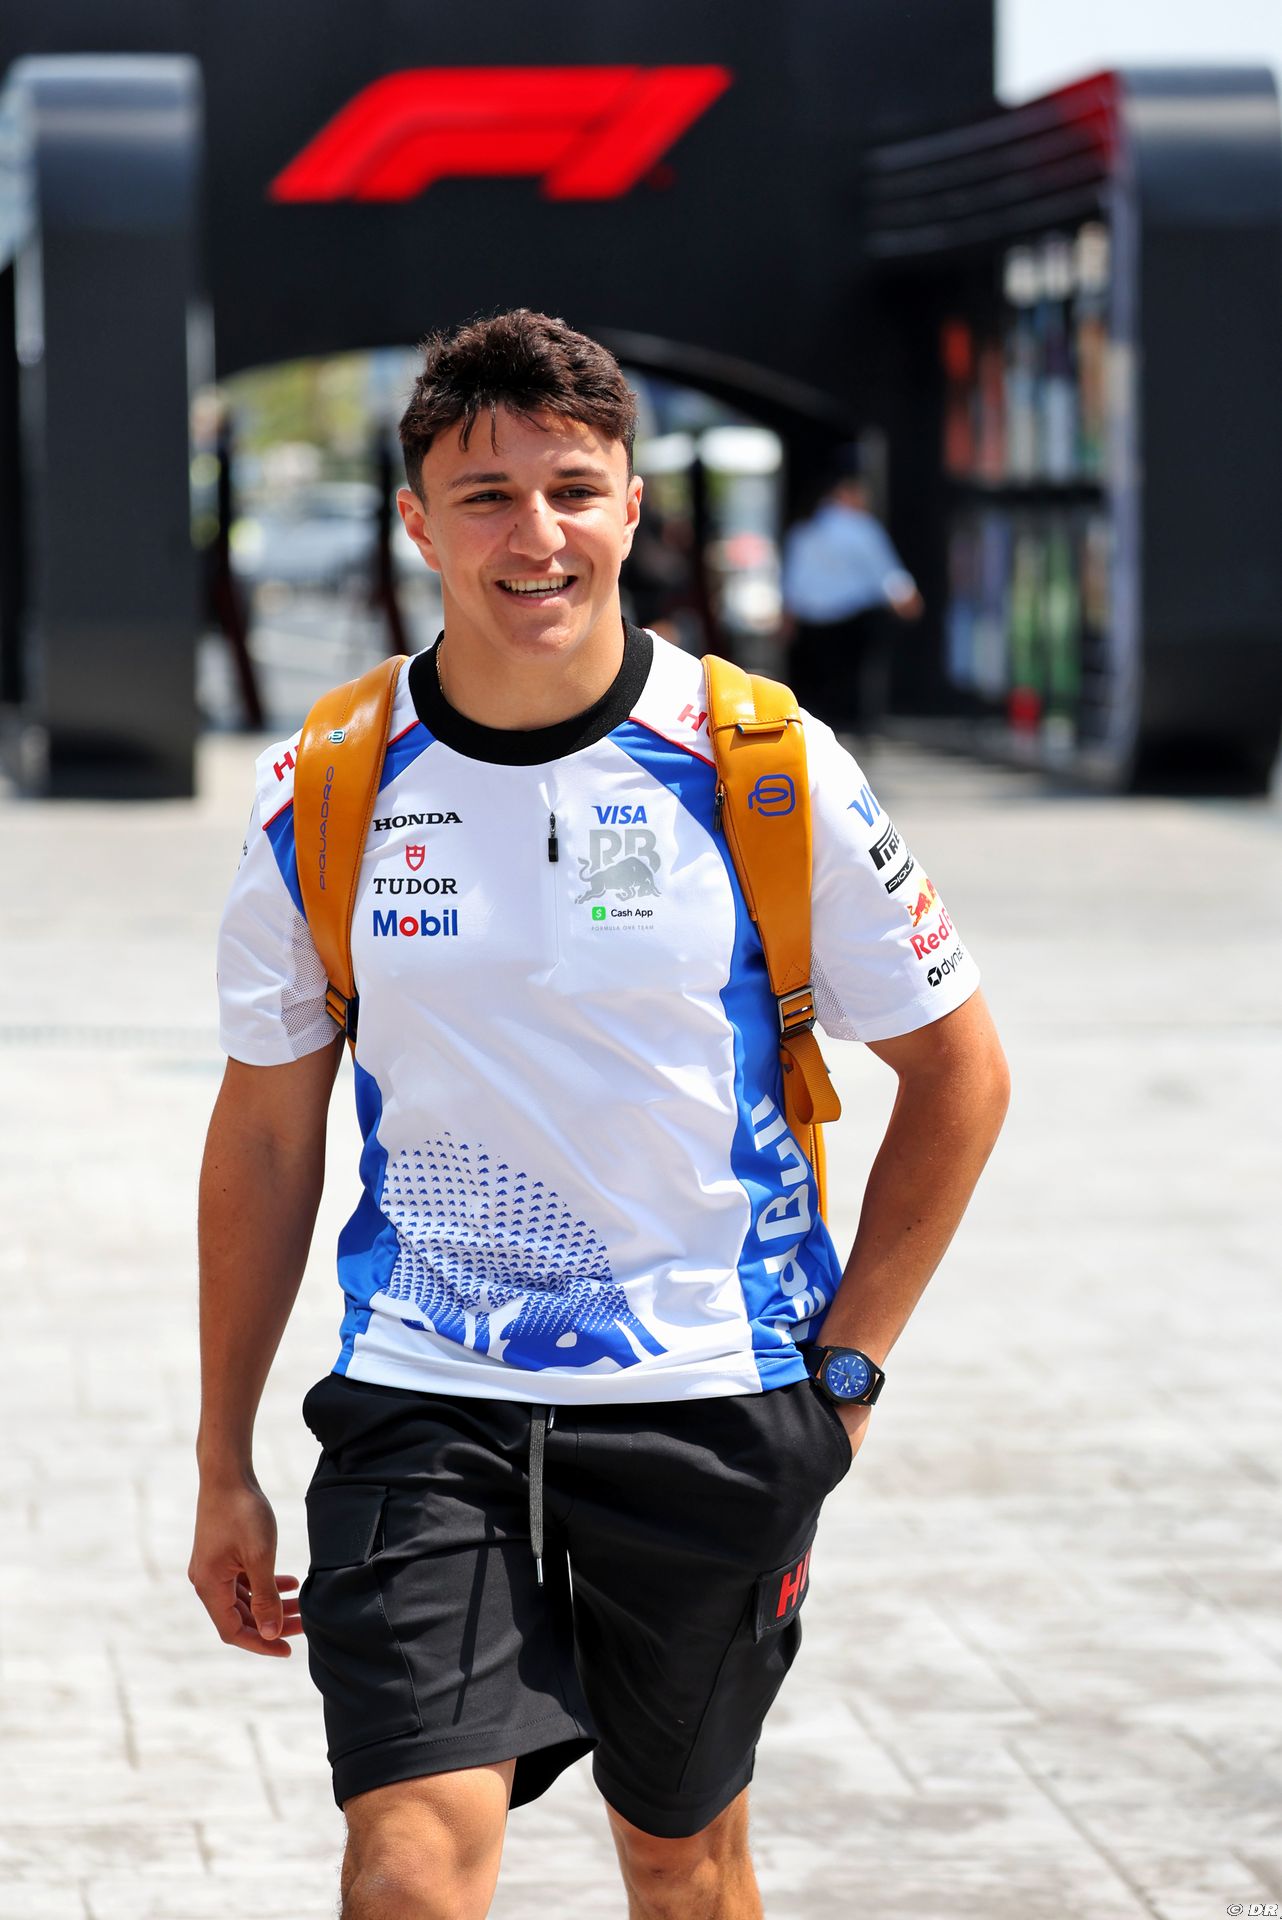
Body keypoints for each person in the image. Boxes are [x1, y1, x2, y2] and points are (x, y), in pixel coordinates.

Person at [189, 309, 1009, 1920]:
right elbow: (270, 1134)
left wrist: (843, 1375)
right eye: (484, 495)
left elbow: (959, 1072)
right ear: (416, 522)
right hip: (424, 1396)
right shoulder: (329, 787)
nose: (536, 534)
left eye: (572, 488)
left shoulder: (762, 762)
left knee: (680, 1865)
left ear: (631, 506)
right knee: (405, 1869)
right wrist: (222, 1454)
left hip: (712, 1403)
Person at [781, 465, 924, 737]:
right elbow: (886, 573)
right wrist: (907, 600)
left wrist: (788, 619)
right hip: (852, 621)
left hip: (813, 624)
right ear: (844, 493)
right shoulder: (861, 528)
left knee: (817, 693)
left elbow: (793, 582)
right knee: (850, 689)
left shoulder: (804, 531)